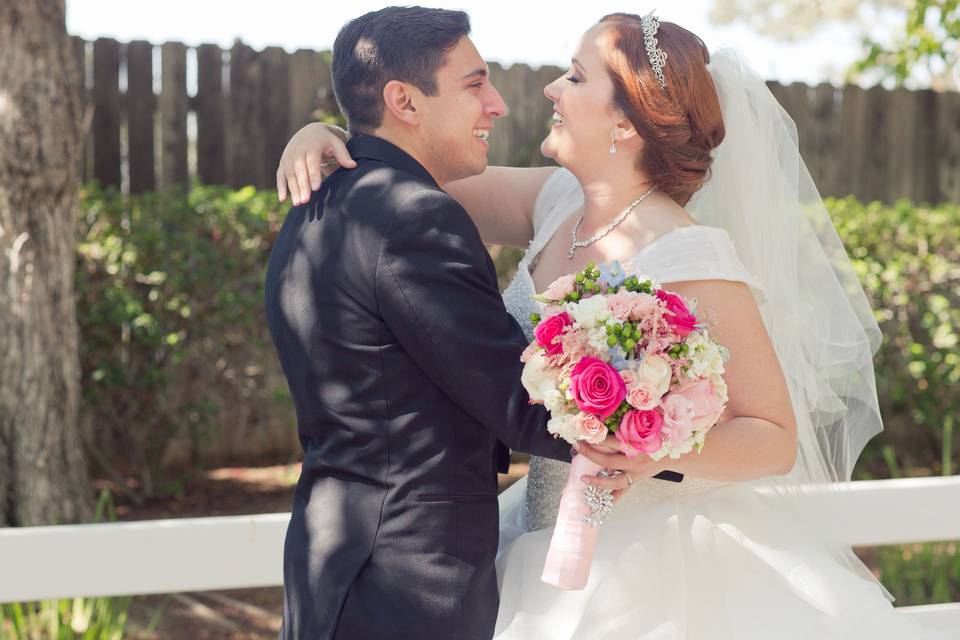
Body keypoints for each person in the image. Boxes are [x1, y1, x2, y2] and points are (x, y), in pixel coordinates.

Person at [278, 11, 955, 639]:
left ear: (626, 123)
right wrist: (331, 134)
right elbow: (408, 169)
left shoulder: (694, 255)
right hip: (527, 537)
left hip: (644, 560)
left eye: (574, 76)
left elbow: (774, 438)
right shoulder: (554, 202)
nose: (548, 87)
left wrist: (648, 449)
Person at [263, 7, 595, 639]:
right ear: (404, 101)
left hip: (331, 555)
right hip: (409, 578)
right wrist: (665, 424)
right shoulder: (418, 217)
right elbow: (521, 401)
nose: (497, 104)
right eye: (474, 84)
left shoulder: (324, 199)